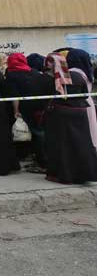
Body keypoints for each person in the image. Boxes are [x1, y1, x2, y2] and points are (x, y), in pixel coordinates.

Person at [42, 53, 97, 184]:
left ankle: (66, 175)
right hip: (81, 112)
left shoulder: (55, 78)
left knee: (63, 146)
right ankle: (85, 173)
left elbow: (51, 97)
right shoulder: (79, 75)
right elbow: (84, 94)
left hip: (61, 114)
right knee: (82, 143)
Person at [4, 53, 50, 172]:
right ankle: (41, 161)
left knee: (34, 134)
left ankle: (43, 163)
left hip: (26, 108)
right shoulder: (34, 72)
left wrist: (16, 110)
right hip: (40, 107)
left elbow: (14, 96)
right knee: (39, 133)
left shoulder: (12, 75)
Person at [65, 49, 97, 149]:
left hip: (77, 106)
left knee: (82, 133)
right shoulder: (86, 71)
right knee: (91, 131)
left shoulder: (72, 73)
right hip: (87, 103)